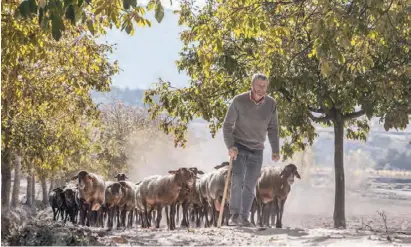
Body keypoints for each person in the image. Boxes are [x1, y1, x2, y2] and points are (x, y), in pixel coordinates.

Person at [222, 73, 280, 226]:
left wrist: (275, 149)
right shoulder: (239, 101)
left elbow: (273, 128)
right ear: (252, 85)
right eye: (259, 86)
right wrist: (230, 146)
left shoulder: (271, 104)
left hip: (257, 150)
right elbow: (227, 126)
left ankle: (244, 217)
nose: (262, 89)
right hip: (239, 147)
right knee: (238, 179)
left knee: (250, 184)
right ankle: (234, 215)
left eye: (264, 86)